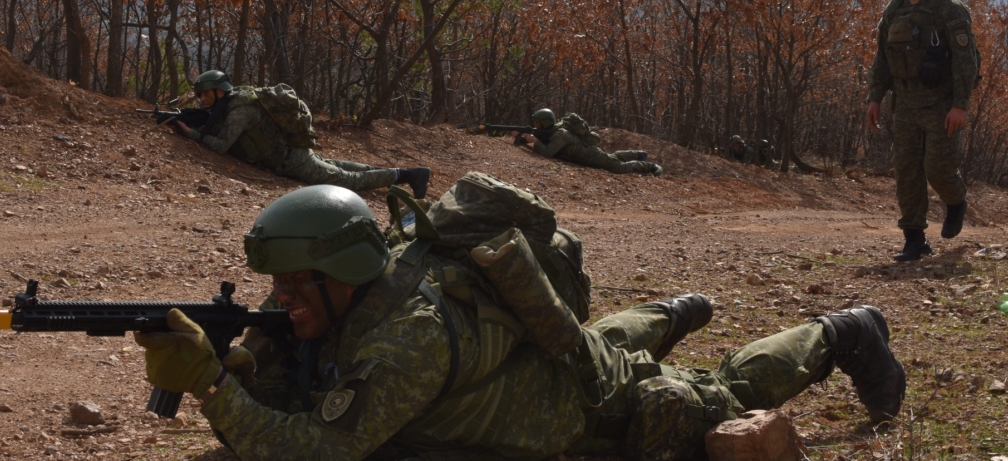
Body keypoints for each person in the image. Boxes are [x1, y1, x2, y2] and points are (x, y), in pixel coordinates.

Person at [133, 185, 906, 461]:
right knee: (595, 342)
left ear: (345, 278)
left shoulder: (410, 335)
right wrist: (252, 372)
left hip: (577, 409)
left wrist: (212, 387)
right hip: (536, 365)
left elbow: (324, 447)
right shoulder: (354, 302)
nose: (284, 297)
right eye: (279, 283)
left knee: (698, 401)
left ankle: (843, 331)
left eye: (300, 283)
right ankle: (667, 313)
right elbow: (305, 398)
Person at [865, 0, 980, 261]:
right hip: (905, 105)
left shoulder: (947, 8)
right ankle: (914, 240)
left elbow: (965, 59)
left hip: (941, 105)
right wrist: (875, 97)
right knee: (907, 172)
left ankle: (956, 201)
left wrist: (960, 104)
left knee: (939, 170)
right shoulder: (894, 9)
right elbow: (883, 58)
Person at [175, 70, 431, 198]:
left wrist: (192, 135)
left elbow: (220, 146)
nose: (202, 99)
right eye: (200, 95)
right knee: (338, 167)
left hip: (293, 160)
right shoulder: (234, 101)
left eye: (206, 94)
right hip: (293, 153)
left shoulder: (240, 109)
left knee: (346, 181)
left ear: (220, 92)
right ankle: (395, 174)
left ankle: (408, 175)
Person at [517, 109, 663, 176]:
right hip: (589, 152)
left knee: (618, 167)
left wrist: (533, 140)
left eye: (538, 123)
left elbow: (547, 152)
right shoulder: (555, 130)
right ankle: (638, 154)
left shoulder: (561, 133)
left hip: (591, 155)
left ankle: (649, 166)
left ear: (545, 123)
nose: (536, 126)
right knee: (610, 157)